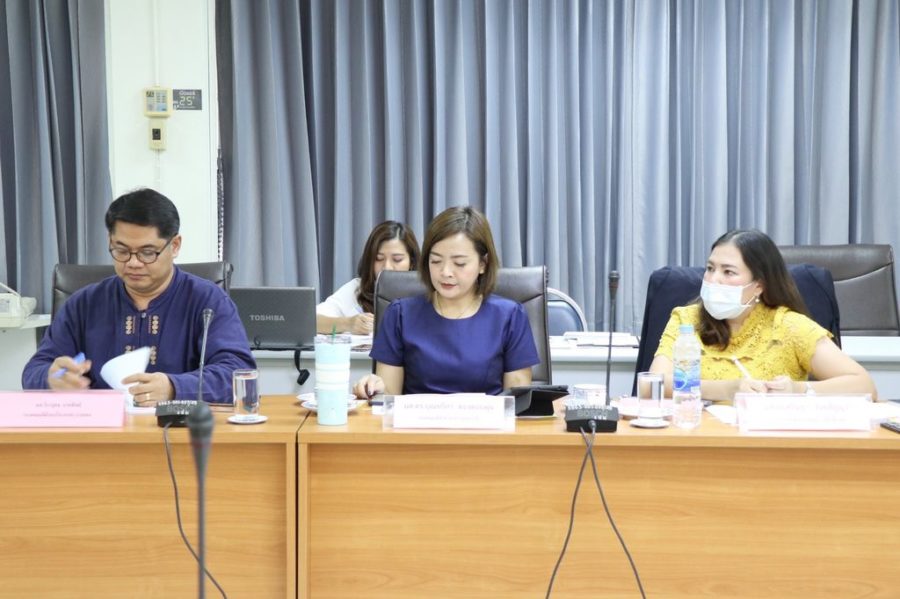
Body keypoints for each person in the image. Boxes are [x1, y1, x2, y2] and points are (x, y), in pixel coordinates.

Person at [22, 188, 256, 406]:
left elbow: (238, 373)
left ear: (175, 246)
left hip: (179, 429)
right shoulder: (83, 304)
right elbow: (34, 371)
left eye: (147, 252)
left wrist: (174, 387)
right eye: (121, 250)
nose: (133, 263)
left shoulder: (208, 301)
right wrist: (50, 377)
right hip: (101, 429)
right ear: (110, 242)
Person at [649, 229, 877, 401]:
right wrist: (726, 390)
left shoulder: (788, 326)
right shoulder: (687, 320)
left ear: (758, 285)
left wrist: (797, 390)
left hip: (769, 444)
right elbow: (650, 386)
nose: (713, 279)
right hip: (697, 437)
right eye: (710, 268)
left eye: (728, 272)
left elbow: (865, 386)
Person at [353, 206, 539, 398]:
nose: (445, 272)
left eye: (459, 263)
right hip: (418, 417)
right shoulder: (400, 314)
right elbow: (389, 396)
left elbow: (516, 402)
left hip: (485, 418)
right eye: (436, 261)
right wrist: (374, 388)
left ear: (483, 264)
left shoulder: (510, 316)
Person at [316, 221, 420, 335]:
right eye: (379, 259)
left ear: (411, 262)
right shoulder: (357, 289)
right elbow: (312, 321)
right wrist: (348, 323)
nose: (387, 267)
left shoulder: (426, 293)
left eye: (397, 259)